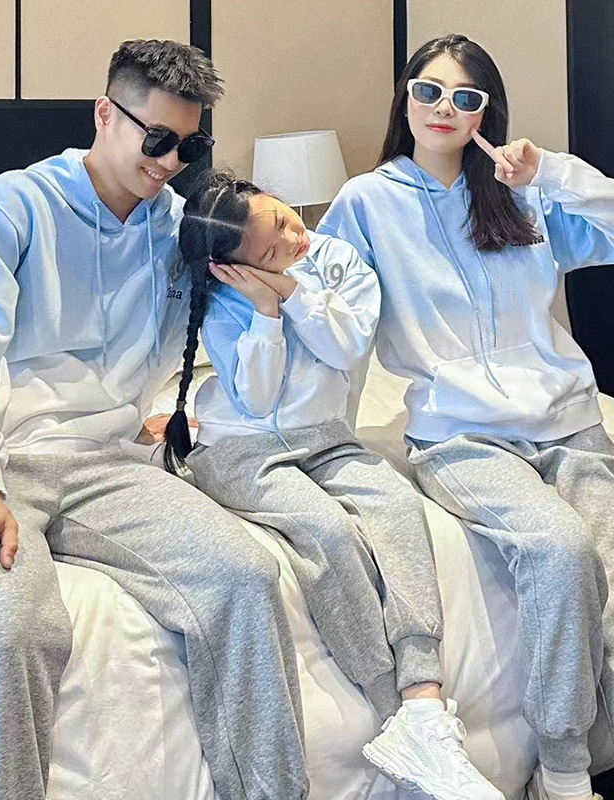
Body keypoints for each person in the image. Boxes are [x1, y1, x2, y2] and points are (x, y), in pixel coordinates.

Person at [0, 39, 309, 800]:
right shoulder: (12, 205)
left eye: (190, 146)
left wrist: (265, 301)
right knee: (6, 630)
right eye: (157, 139)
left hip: (106, 463)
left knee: (244, 575)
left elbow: (248, 372)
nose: (171, 161)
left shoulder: (185, 230)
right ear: (104, 114)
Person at [319, 32, 614, 800]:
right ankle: (564, 769)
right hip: (460, 437)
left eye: (465, 97)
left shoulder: (520, 196)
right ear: (405, 98)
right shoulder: (366, 203)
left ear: (487, 111)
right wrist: (325, 441)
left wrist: (549, 171)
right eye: (428, 91)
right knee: (558, 546)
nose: (443, 108)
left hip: (571, 426)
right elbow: (335, 330)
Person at [163, 168, 506, 800]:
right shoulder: (223, 299)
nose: (292, 240)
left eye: (283, 220)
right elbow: (255, 398)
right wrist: (265, 312)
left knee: (398, 507)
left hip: (325, 437)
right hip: (239, 450)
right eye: (270, 252)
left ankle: (423, 698)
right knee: (327, 531)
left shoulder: (339, 259)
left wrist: (292, 289)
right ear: (236, 266)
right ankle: (395, 709)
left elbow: (347, 348)